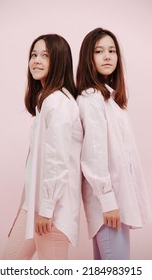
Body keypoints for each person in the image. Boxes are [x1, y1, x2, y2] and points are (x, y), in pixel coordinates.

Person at [2, 34, 83, 260]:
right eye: (34, 55)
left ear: (58, 61)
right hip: (35, 208)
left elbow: (57, 161)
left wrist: (46, 210)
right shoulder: (45, 101)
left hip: (51, 212)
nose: (36, 60)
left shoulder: (57, 103)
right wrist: (22, 214)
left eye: (45, 56)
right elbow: (34, 167)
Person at [76, 27, 152, 260]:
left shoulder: (109, 99)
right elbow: (93, 156)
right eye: (99, 51)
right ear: (89, 58)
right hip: (109, 207)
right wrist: (108, 201)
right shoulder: (91, 99)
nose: (108, 56)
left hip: (116, 203)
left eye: (112, 50)